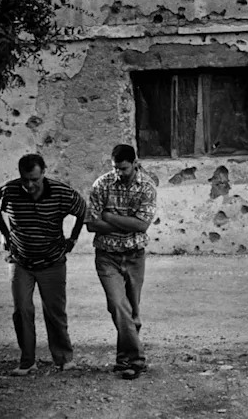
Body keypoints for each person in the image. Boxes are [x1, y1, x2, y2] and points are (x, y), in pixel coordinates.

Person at [0, 153, 86, 376]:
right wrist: (5, 233)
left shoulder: (61, 192)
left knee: (55, 312)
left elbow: (82, 210)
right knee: (22, 310)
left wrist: (73, 238)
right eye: (25, 179)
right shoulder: (8, 191)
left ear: (44, 173)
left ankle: (63, 359)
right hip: (21, 260)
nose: (29, 185)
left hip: (52, 261)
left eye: (35, 179)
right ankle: (27, 362)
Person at [86, 144, 158, 380]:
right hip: (107, 256)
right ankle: (137, 360)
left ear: (134, 163)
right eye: (116, 168)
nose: (119, 173)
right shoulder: (102, 184)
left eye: (124, 168)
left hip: (135, 255)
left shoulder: (146, 187)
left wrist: (109, 216)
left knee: (131, 310)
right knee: (118, 305)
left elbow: (142, 225)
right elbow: (91, 224)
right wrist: (126, 222)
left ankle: (123, 361)